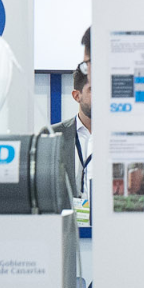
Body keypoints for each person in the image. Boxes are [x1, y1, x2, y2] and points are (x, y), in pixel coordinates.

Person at [47, 65, 94, 201]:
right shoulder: (52, 135)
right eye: (93, 90)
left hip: (109, 219)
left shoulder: (120, 137)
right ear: (76, 96)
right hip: (68, 220)